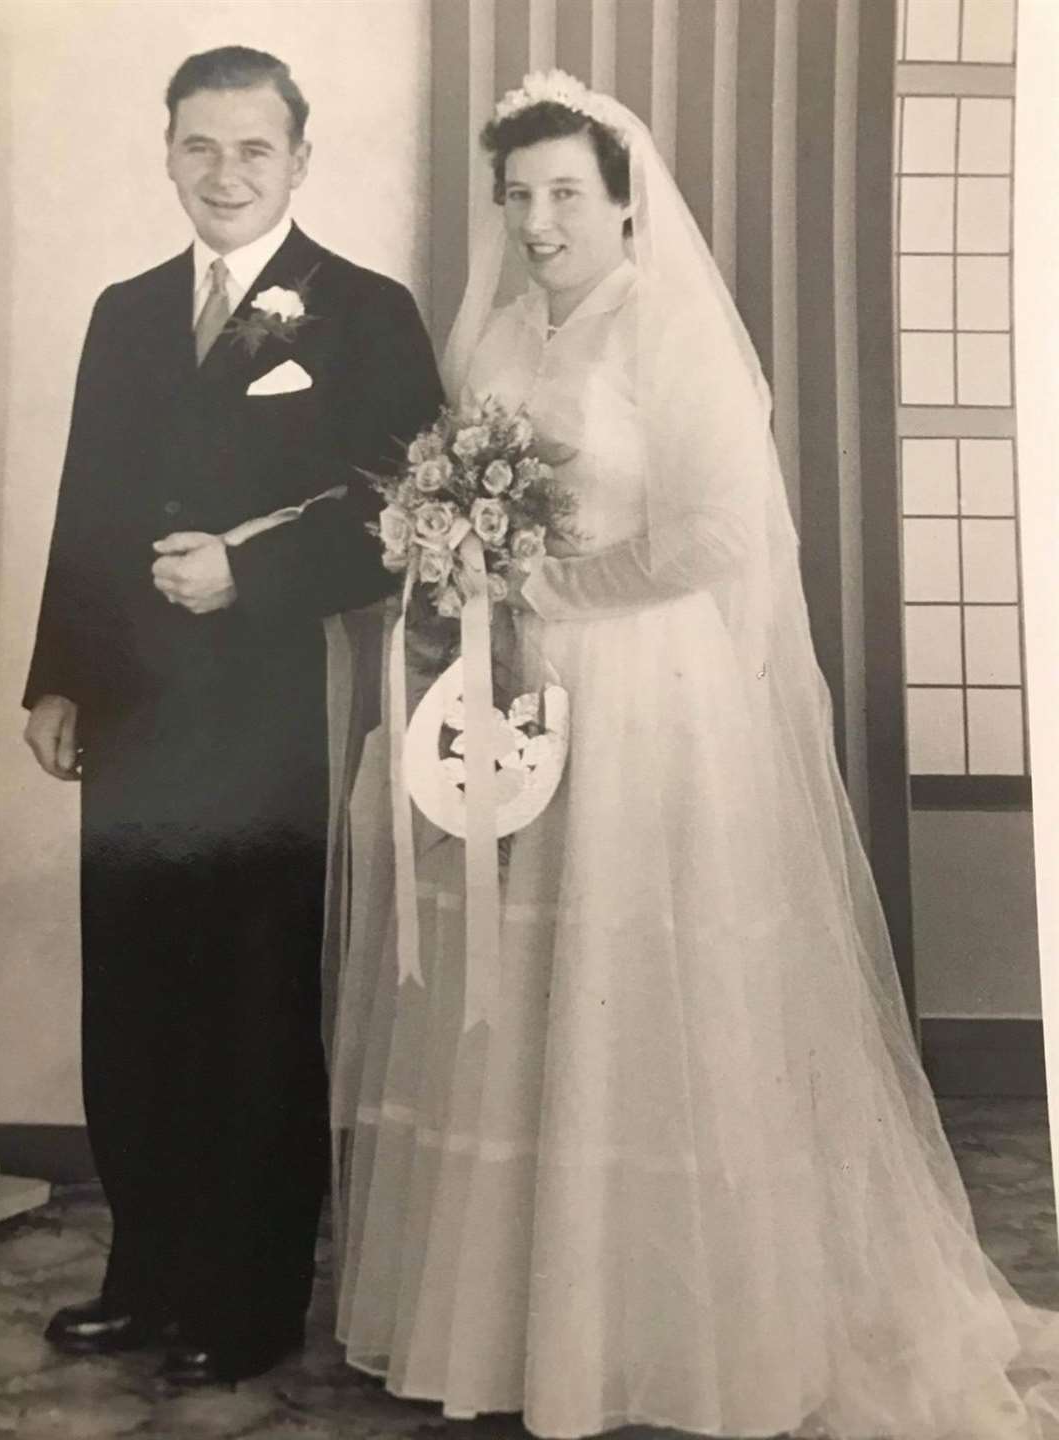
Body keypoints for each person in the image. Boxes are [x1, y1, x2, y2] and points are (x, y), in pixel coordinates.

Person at [331, 71, 1059, 1439]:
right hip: (511, 699)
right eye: (518, 197)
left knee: (631, 990)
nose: (539, 220)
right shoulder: (491, 338)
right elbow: (460, 501)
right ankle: (512, 1336)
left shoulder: (666, 329)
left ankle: (657, 1343)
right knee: (516, 995)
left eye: (565, 193)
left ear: (622, 200)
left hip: (647, 695)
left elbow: (720, 532)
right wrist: (457, 572)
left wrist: (554, 598)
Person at [23, 46, 442, 1385]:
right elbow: (87, 505)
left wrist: (249, 573)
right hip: (136, 710)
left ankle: (247, 1302)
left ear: (301, 161)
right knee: (132, 996)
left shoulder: (364, 311)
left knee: (254, 1006)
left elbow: (404, 517)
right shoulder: (126, 307)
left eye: (253, 149)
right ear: (166, 153)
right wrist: (58, 673)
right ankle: (145, 1275)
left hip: (276, 713)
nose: (224, 173)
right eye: (200, 146)